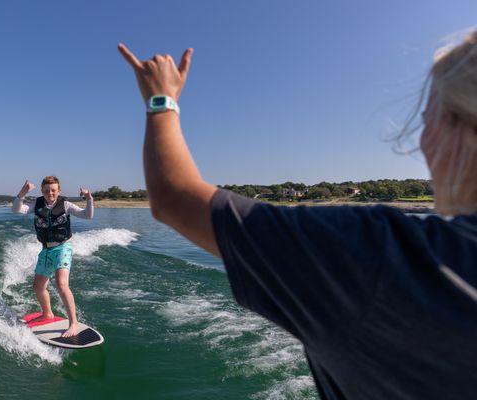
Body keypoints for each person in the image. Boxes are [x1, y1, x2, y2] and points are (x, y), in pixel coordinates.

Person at [117, 30, 477, 400]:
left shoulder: (381, 256)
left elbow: (175, 198)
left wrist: (162, 99)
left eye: (429, 119)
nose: (421, 140)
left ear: (463, 129)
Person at [12, 176, 94, 337]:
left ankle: (74, 323)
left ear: (59, 191)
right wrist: (23, 192)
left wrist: (89, 199)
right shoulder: (37, 204)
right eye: (47, 190)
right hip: (46, 250)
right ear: (42, 191)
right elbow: (16, 209)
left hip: (62, 248)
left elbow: (87, 215)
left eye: (53, 190)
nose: (50, 193)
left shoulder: (66, 205)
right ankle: (47, 313)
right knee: (38, 286)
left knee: (62, 284)